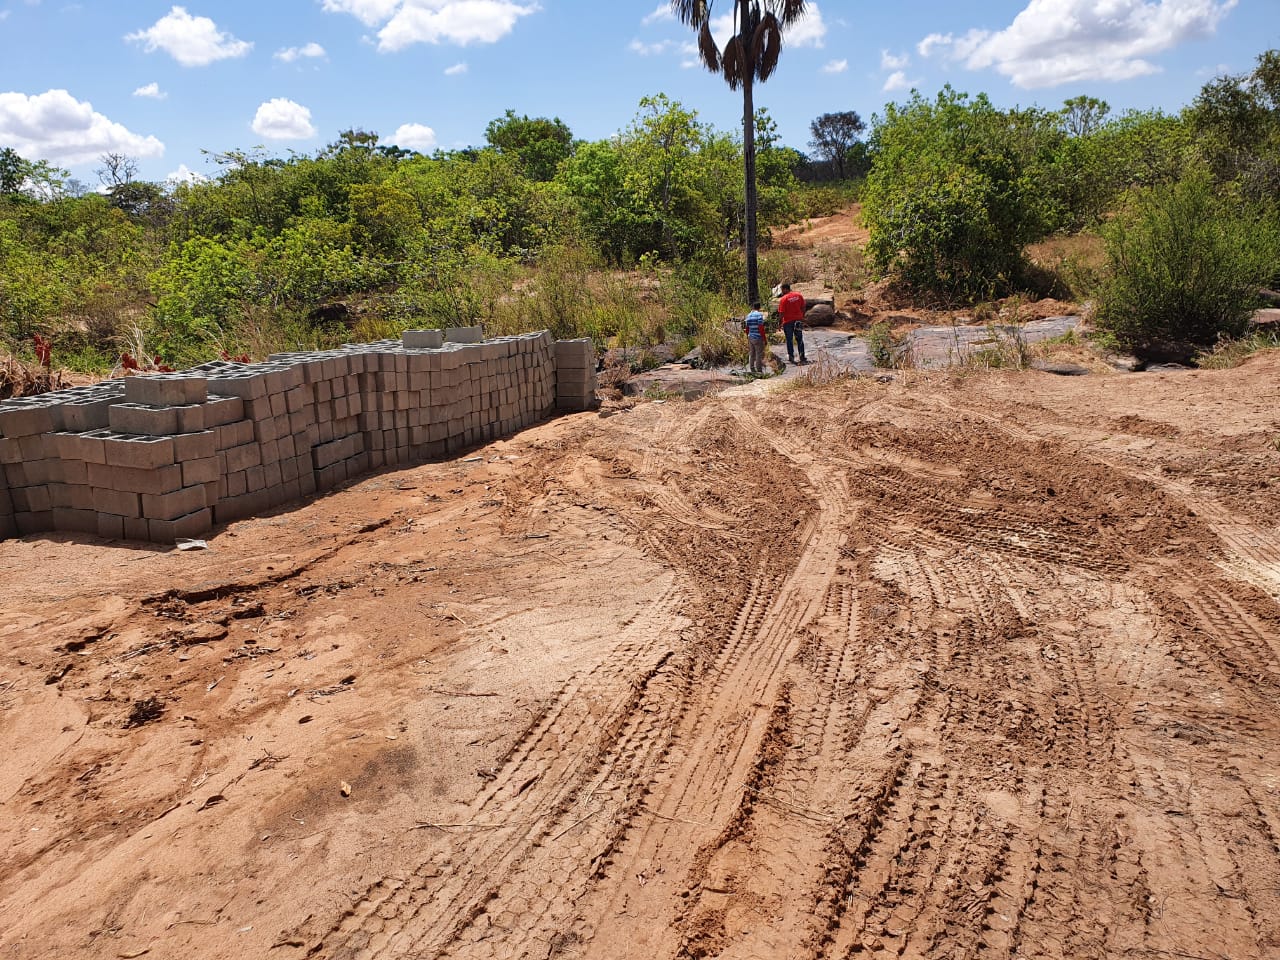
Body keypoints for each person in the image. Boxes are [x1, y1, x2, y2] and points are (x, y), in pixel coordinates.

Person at [777, 282, 807, 364]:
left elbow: (781, 313)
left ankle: (791, 356)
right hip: (798, 320)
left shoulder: (784, 299)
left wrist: (779, 323)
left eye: (782, 290)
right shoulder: (799, 295)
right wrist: (802, 316)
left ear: (785, 289)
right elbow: (803, 307)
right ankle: (802, 356)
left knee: (789, 339)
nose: (782, 292)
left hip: (788, 322)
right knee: (799, 338)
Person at [743, 302, 767, 374]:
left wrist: (748, 336)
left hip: (750, 337)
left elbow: (747, 328)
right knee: (758, 354)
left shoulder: (749, 315)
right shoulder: (759, 315)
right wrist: (764, 339)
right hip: (758, 337)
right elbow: (761, 328)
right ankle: (759, 371)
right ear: (759, 308)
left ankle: (752, 369)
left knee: (751, 353)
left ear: (753, 307)